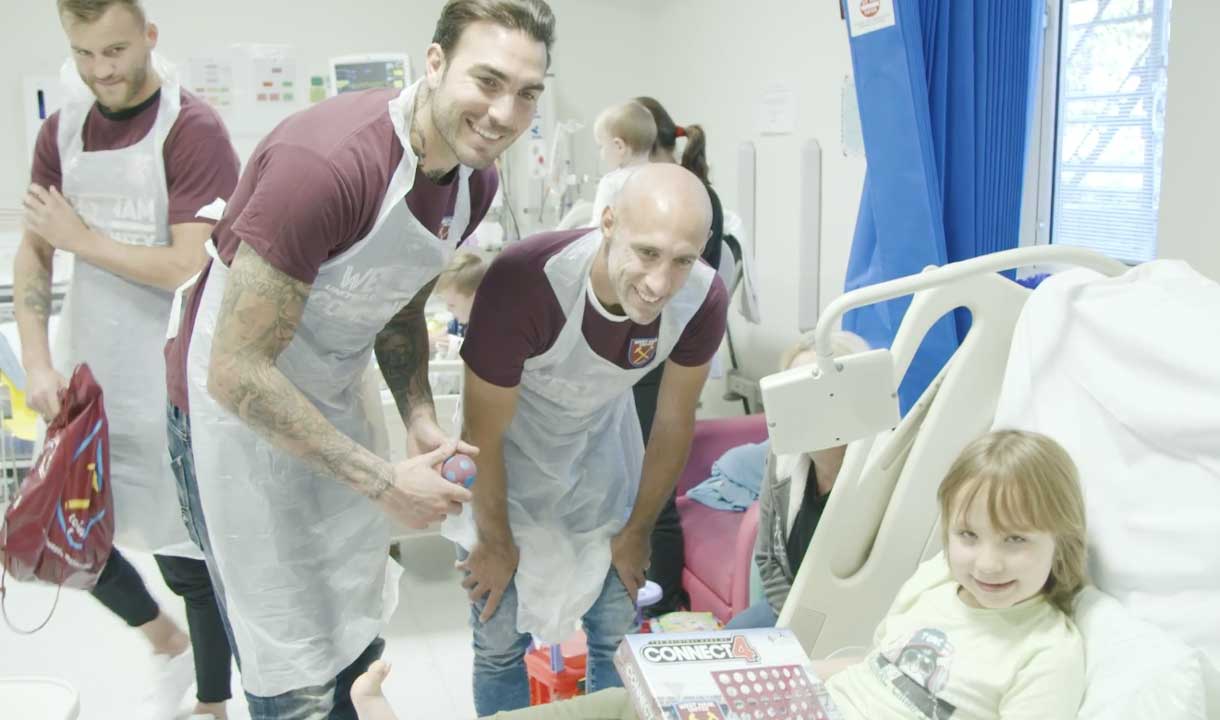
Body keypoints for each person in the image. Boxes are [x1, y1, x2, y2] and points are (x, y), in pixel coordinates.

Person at [161, 1, 555, 717]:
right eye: (487, 80)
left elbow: (399, 302)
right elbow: (235, 371)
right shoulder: (326, 168)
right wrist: (382, 481)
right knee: (290, 660)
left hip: (333, 397)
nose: (504, 113)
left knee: (353, 633)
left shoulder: (474, 182)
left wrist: (420, 417)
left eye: (527, 92)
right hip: (235, 421)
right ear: (433, 64)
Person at [409, 428, 1088, 720]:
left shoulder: (1045, 651)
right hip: (810, 704)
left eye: (1016, 541)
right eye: (968, 535)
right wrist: (748, 671)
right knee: (625, 700)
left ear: (1061, 541)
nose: (987, 562)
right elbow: (875, 664)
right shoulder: (940, 582)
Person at [15, 1, 238, 716]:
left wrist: (81, 238)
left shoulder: (192, 128)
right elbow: (34, 249)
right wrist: (38, 363)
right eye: (84, 54)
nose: (102, 70)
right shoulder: (63, 131)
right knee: (65, 527)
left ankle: (210, 701)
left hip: (171, 376)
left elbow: (183, 266)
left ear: (149, 35)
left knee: (186, 558)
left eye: (115, 50)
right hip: (92, 374)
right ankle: (161, 639)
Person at [442, 163, 729, 715]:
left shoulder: (701, 299)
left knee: (614, 637)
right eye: (646, 253)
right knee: (499, 643)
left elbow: (672, 421)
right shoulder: (527, 280)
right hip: (507, 464)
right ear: (607, 222)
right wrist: (496, 540)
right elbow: (485, 431)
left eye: (683, 261)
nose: (661, 284)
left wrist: (638, 530)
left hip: (601, 460)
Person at [629, 97, 725, 617]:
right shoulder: (683, 192)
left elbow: (685, 292)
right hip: (655, 352)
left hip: (662, 354)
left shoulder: (683, 200)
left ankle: (661, 606)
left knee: (654, 487)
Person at [725, 331, 869, 630]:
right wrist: (794, 626)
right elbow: (767, 558)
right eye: (794, 390)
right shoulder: (783, 457)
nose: (805, 404)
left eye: (817, 388)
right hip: (791, 611)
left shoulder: (880, 471)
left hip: (858, 623)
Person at [587, 101, 656, 226]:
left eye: (600, 146)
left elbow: (598, 228)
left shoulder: (611, 183)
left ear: (619, 146)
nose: (600, 153)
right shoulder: (662, 176)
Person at [430, 250, 488, 357]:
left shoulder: (490, 327)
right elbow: (440, 336)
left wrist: (455, 346)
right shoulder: (459, 323)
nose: (448, 309)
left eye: (452, 305)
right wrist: (431, 342)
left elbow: (488, 352)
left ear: (477, 300)